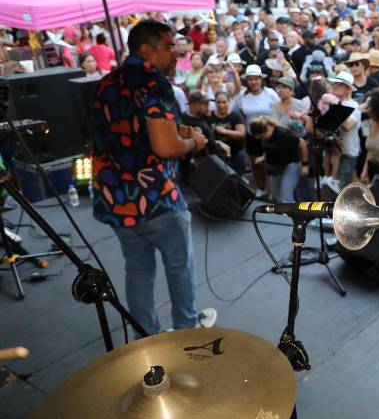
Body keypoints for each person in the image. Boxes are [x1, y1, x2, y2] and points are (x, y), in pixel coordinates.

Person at [91, 20, 216, 337]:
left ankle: (145, 337)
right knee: (179, 265)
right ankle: (187, 327)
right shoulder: (154, 86)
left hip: (115, 198)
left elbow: (126, 135)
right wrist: (194, 143)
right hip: (155, 198)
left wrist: (179, 131)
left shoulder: (106, 83)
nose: (176, 54)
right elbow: (165, 146)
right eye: (169, 46)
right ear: (146, 49)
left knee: (138, 270)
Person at [247, 116, 309, 203]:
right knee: (275, 195)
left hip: (291, 164)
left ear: (268, 128)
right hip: (276, 166)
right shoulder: (263, 135)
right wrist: (263, 157)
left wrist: (305, 165)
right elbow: (269, 146)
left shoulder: (283, 135)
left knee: (286, 198)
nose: (261, 138)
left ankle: (294, 215)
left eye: (262, 136)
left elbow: (302, 144)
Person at [210, 91, 247, 174]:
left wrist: (225, 131)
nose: (221, 105)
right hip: (217, 154)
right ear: (215, 102)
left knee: (236, 178)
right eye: (218, 102)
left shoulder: (235, 116)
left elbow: (241, 134)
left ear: (229, 101)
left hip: (235, 152)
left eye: (224, 102)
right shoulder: (210, 116)